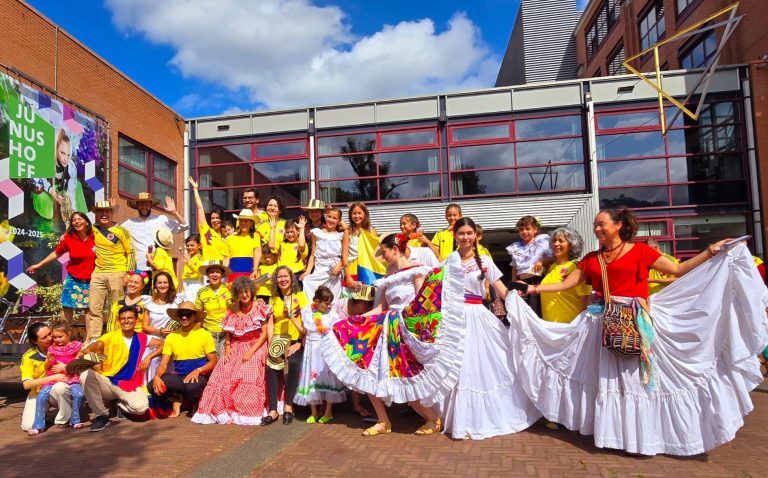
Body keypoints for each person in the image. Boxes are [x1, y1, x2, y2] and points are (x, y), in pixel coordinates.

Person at [509, 206, 768, 455]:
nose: (597, 228)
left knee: (634, 380)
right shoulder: (592, 259)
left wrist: (711, 251)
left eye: (602, 224)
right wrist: (532, 289)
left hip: (633, 321)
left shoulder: (641, 251)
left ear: (618, 225)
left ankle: (639, 438)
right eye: (595, 225)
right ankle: (612, 434)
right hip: (602, 324)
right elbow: (567, 284)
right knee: (608, 380)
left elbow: (678, 269)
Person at [323, 233, 465, 437]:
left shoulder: (416, 269)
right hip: (385, 329)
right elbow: (380, 307)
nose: (384, 256)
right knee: (367, 372)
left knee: (404, 377)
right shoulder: (388, 274)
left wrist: (406, 321)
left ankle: (433, 419)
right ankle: (383, 420)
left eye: (385, 251)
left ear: (395, 249)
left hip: (403, 330)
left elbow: (419, 304)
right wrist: (353, 322)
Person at [438, 218, 541, 440]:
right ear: (455, 236)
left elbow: (502, 290)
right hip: (455, 318)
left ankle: (482, 419)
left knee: (481, 365)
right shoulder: (449, 261)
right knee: (458, 365)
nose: (465, 237)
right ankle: (460, 420)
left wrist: (519, 307)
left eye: (469, 233)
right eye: (461, 233)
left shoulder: (484, 260)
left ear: (476, 235)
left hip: (478, 316)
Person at [192, 277, 272, 425]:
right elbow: (229, 331)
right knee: (221, 374)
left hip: (255, 345)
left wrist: (252, 351)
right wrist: (228, 346)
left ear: (252, 291)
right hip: (236, 345)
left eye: (247, 291)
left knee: (248, 374)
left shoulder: (259, 307)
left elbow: (265, 333)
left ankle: (245, 413)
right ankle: (225, 411)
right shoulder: (233, 309)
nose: (244, 295)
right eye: (241, 292)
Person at [79, 306, 163, 432]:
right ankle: (101, 415)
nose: (126, 321)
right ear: (119, 321)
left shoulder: (143, 338)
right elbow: (98, 344)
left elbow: (163, 344)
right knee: (86, 374)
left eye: (130, 318)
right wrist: (88, 350)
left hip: (129, 383)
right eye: (123, 318)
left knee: (141, 408)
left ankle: (120, 405)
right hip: (108, 381)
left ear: (136, 320)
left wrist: (149, 357)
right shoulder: (111, 336)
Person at [27, 211, 95, 340]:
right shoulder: (69, 238)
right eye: (74, 220)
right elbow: (56, 253)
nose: (77, 222)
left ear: (87, 222)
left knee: (89, 311)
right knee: (66, 308)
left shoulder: (96, 236)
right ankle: (63, 338)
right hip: (73, 279)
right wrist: (39, 264)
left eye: (80, 219)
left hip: (92, 281)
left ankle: (88, 341)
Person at [151, 302, 217, 418]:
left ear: (194, 316)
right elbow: (163, 364)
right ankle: (175, 399)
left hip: (199, 376)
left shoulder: (204, 334)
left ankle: (194, 403)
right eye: (181, 314)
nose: (184, 317)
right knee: (152, 386)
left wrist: (199, 370)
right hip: (179, 377)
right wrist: (156, 377)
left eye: (188, 314)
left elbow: (213, 361)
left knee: (192, 387)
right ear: (178, 317)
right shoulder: (171, 337)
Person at [264, 266, 308, 426]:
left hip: (296, 338)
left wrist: (299, 343)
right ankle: (273, 410)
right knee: (271, 369)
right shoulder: (273, 298)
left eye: (285, 276)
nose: (282, 279)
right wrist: (271, 343)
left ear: (291, 278)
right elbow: (270, 322)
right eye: (279, 277)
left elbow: (307, 322)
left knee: (294, 364)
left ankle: (289, 406)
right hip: (279, 339)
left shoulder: (300, 296)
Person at [296, 286, 346, 423]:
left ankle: (329, 411)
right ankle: (314, 411)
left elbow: (337, 332)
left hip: (326, 348)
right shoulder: (307, 312)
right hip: (311, 349)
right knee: (312, 377)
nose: (329, 306)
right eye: (326, 303)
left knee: (327, 377)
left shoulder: (332, 314)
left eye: (330, 303)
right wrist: (291, 319)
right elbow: (303, 331)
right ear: (317, 301)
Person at [122, 192, 188, 293]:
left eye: (146, 204)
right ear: (137, 206)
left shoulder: (161, 219)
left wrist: (174, 212)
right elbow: (115, 233)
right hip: (139, 268)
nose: (144, 207)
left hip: (159, 269)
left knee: (158, 297)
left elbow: (184, 226)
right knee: (139, 298)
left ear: (151, 205)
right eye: (141, 204)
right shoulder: (129, 223)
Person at [28, 320, 86, 435]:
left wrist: (67, 367)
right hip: (53, 379)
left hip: (72, 377)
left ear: (68, 334)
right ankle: (38, 425)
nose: (57, 340)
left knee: (79, 394)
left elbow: (81, 362)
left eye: (60, 336)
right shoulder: (52, 349)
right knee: (41, 397)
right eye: (54, 337)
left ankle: (75, 420)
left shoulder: (76, 346)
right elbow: (46, 367)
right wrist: (49, 360)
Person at [89, 200, 136, 340]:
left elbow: (131, 252)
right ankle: (95, 338)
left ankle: (116, 336)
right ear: (96, 213)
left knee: (117, 308)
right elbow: (74, 228)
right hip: (98, 273)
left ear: (112, 213)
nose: (104, 214)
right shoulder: (92, 229)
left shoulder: (122, 231)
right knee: (94, 308)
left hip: (118, 273)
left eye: (107, 211)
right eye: (100, 211)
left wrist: (129, 273)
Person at [19, 323, 73, 433]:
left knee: (60, 387)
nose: (50, 338)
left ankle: (67, 418)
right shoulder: (29, 356)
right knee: (29, 425)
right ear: (35, 341)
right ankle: (45, 414)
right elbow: (27, 384)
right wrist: (54, 377)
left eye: (50, 334)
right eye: (44, 337)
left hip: (61, 389)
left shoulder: (63, 346)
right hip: (39, 393)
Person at [539, 227, 590, 323]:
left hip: (569, 327)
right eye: (554, 241)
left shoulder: (576, 267)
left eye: (561, 241)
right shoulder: (552, 267)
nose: (556, 244)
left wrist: (581, 325)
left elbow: (586, 297)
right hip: (550, 327)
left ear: (571, 245)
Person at [507, 215, 552, 314]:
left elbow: (552, 258)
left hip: (537, 280)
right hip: (522, 280)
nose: (524, 232)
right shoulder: (516, 247)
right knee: (523, 311)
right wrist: (514, 283)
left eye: (528, 229)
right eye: (521, 229)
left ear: (535, 229)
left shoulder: (541, 242)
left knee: (536, 310)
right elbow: (515, 266)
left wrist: (541, 262)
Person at [301, 207, 343, 302]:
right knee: (311, 289)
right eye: (329, 217)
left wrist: (339, 266)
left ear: (339, 220)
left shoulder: (341, 235)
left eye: (334, 218)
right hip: (319, 269)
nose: (331, 220)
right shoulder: (316, 233)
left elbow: (345, 255)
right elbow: (312, 255)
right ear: (326, 217)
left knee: (333, 300)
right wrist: (307, 272)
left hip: (334, 271)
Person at [195, 261, 232, 357]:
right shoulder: (201, 292)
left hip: (227, 333)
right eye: (211, 272)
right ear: (207, 275)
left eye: (217, 272)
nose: (214, 274)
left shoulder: (229, 290)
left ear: (222, 275)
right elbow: (198, 315)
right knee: (212, 362)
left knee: (225, 361)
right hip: (209, 333)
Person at [188, 176, 229, 262]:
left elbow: (227, 258)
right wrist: (195, 189)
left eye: (217, 218)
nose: (215, 220)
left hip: (220, 270)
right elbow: (199, 208)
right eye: (212, 218)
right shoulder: (206, 231)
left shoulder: (227, 238)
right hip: (207, 270)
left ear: (222, 219)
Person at [342, 202, 377, 294]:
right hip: (352, 267)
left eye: (359, 213)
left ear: (365, 214)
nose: (356, 216)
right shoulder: (347, 231)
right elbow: (345, 255)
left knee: (368, 298)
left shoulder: (371, 230)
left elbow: (375, 252)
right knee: (352, 299)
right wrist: (347, 275)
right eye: (354, 213)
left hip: (367, 268)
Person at [227, 209, 262, 280]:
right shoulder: (230, 238)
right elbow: (226, 259)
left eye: (246, 221)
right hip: (233, 274)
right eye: (241, 221)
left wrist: (255, 269)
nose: (243, 223)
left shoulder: (256, 236)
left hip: (250, 273)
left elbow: (257, 253)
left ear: (252, 223)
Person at [181, 235, 205, 301]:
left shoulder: (199, 257)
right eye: (187, 246)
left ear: (199, 246)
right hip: (186, 283)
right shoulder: (189, 257)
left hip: (195, 283)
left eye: (192, 245)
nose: (189, 247)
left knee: (193, 303)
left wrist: (189, 263)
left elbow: (200, 270)